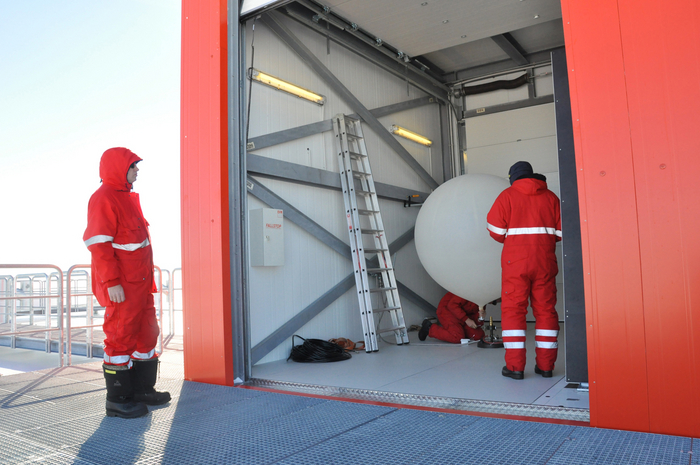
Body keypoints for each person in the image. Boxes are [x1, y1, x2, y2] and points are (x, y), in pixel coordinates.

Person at [83, 147, 170, 418]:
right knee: (120, 338)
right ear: (119, 168)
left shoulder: (128, 198)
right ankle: (118, 399)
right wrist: (111, 282)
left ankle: (143, 390)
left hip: (142, 284)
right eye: (133, 165)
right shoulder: (103, 198)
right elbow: (99, 245)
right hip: (123, 286)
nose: (137, 170)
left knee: (148, 334)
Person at [486, 161, 561, 380]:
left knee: (513, 311)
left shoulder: (506, 196)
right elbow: (561, 232)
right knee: (546, 311)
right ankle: (546, 367)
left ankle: (515, 367)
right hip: (545, 261)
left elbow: (496, 231)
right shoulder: (552, 198)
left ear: (513, 177)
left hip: (515, 264)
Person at [418, 292, 485, 343]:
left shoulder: (483, 301)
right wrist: (466, 319)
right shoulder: (467, 291)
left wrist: (479, 319)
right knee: (457, 337)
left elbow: (473, 319)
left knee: (479, 336)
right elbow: (452, 305)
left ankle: (459, 330)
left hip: (461, 316)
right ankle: (429, 328)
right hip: (447, 311)